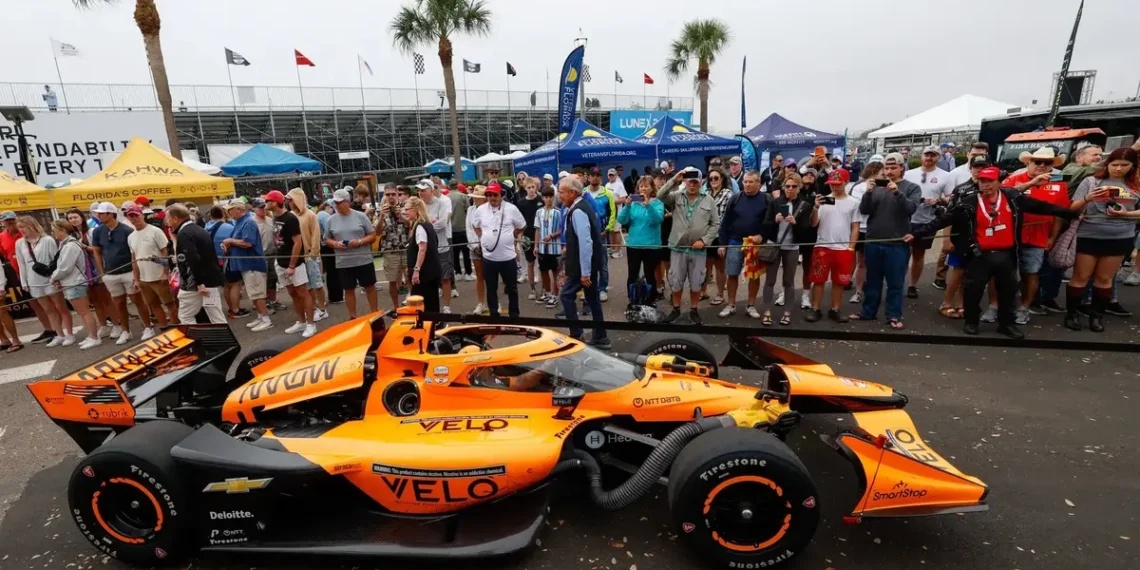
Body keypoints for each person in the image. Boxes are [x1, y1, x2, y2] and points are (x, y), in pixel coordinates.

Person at [909, 166, 1077, 338]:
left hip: (1006, 255)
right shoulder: (969, 202)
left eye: (990, 181)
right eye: (982, 181)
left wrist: (1072, 213)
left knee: (1007, 291)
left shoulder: (1012, 198)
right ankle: (971, 322)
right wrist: (916, 234)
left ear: (999, 182)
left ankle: (1006, 324)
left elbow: (1042, 207)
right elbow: (944, 219)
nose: (985, 185)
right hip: (979, 255)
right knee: (973, 289)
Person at [1065, 147, 1140, 332]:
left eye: (1124, 165)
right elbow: (1073, 207)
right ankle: (1072, 314)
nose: (1119, 169)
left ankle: (1096, 316)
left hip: (1120, 235)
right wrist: (1089, 197)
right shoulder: (1092, 181)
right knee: (1081, 276)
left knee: (1105, 278)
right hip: (1089, 233)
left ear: (1133, 166)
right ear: (1108, 164)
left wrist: (1127, 214)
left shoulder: (1135, 185)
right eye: (1115, 164)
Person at [1001, 147, 1071, 324]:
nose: (1041, 165)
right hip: (1010, 235)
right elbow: (1002, 195)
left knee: (1031, 273)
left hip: (1038, 236)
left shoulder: (1059, 184)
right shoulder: (1015, 179)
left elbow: (1060, 214)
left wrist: (1052, 238)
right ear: (1027, 162)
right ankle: (1000, 306)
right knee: (1004, 273)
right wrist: (1033, 183)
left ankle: (1024, 307)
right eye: (1037, 161)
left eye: (1046, 163)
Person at [851, 153, 921, 329]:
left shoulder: (912, 187)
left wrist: (896, 192)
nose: (889, 171)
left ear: (901, 169)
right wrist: (868, 192)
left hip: (897, 243)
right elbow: (864, 210)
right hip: (873, 241)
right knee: (872, 281)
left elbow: (910, 209)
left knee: (895, 282)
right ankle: (868, 312)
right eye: (887, 168)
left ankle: (894, 315)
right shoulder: (877, 187)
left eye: (893, 168)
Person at [657, 167, 721, 325]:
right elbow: (660, 195)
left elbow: (715, 224)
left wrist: (705, 241)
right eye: (689, 181)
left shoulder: (709, 200)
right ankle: (676, 309)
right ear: (684, 182)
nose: (692, 184)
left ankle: (694, 310)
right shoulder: (676, 196)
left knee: (696, 281)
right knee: (676, 280)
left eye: (695, 181)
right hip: (678, 248)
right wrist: (674, 179)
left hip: (698, 250)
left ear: (700, 183)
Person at [557, 177, 610, 349]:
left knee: (566, 296)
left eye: (562, 192)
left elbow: (586, 243)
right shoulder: (579, 207)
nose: (560, 196)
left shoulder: (578, 211)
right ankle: (601, 336)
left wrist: (585, 272)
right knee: (593, 299)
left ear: (573, 193)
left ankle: (576, 335)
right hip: (585, 264)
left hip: (581, 267)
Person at [938, 156, 991, 319]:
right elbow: (949, 214)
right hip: (961, 237)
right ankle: (946, 303)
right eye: (976, 166)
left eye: (983, 166)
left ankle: (962, 304)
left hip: (984, 237)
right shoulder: (961, 189)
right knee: (958, 272)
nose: (979, 170)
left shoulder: (993, 188)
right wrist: (946, 239)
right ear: (970, 168)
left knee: (972, 274)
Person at [806, 169, 860, 322]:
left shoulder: (854, 202)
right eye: (832, 184)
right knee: (818, 279)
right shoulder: (823, 200)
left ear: (846, 183)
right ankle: (815, 308)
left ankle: (835, 308)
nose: (834, 187)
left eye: (838, 184)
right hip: (822, 245)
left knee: (840, 281)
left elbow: (855, 226)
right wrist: (815, 207)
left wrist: (851, 247)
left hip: (843, 248)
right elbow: (813, 223)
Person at [91, 202, 147, 345]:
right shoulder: (97, 231)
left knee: (137, 300)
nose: (99, 215)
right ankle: (125, 331)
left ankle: (147, 327)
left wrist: (136, 275)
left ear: (111, 214)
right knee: (119, 303)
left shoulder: (127, 230)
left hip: (128, 271)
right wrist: (102, 272)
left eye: (102, 213)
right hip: (110, 273)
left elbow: (133, 253)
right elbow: (97, 252)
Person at [760, 174, 812, 325]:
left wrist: (795, 223)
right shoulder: (775, 202)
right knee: (770, 280)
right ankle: (767, 311)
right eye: (787, 186)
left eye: (794, 186)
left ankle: (787, 313)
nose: (790, 189)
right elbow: (765, 225)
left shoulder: (804, 205)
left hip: (792, 247)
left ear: (799, 187)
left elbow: (806, 232)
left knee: (788, 281)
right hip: (774, 245)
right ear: (783, 187)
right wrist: (774, 221)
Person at [716, 170, 769, 319]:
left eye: (751, 182)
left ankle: (751, 305)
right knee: (732, 273)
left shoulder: (765, 199)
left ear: (758, 183)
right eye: (745, 182)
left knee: (754, 275)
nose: (747, 185)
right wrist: (722, 244)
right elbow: (725, 222)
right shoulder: (735, 198)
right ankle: (731, 304)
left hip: (754, 243)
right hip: (735, 241)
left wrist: (762, 235)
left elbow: (770, 222)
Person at [903, 146, 954, 299]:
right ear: (921, 156)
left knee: (919, 254)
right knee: (903, 254)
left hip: (927, 221)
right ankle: (899, 283)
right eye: (927, 154)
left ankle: (912, 285)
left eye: (933, 155)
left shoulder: (946, 176)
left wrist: (939, 200)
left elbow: (950, 198)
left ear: (938, 157)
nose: (929, 158)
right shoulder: (909, 174)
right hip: (907, 219)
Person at [15, 216, 73, 346]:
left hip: (49, 279)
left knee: (61, 307)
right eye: (19, 227)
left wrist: (56, 277)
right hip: (33, 281)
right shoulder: (19, 243)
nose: (20, 230)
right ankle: (59, 334)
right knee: (48, 309)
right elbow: (21, 264)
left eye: (22, 227)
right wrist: (24, 282)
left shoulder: (47, 240)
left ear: (31, 225)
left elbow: (55, 260)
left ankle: (69, 334)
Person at [472, 182, 527, 318]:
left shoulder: (511, 208)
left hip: (508, 257)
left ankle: (514, 315)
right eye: (489, 195)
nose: (492, 198)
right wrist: (483, 236)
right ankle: (494, 314)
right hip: (489, 257)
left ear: (501, 195)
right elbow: (475, 225)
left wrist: (512, 235)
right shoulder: (481, 210)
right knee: (491, 288)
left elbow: (522, 225)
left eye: (494, 195)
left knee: (512, 288)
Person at [1, 210, 56, 344]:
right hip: (19, 274)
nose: (11, 223)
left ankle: (56, 329)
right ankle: (48, 329)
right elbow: (3, 255)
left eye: (12, 220)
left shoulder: (25, 232)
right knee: (35, 304)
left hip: (40, 273)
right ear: (3, 223)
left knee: (51, 303)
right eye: (7, 221)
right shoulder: (2, 236)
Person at [217, 200, 271, 332]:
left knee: (257, 293)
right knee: (254, 293)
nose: (228, 212)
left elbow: (248, 243)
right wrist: (230, 243)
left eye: (230, 209)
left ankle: (266, 319)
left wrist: (230, 241)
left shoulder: (248, 222)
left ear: (238, 210)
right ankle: (260, 316)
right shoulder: (242, 222)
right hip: (246, 264)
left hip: (252, 264)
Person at [167, 205, 226, 324]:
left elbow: (192, 258)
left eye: (167, 219)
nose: (167, 222)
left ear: (175, 219)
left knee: (185, 316)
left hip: (194, 284)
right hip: (211, 279)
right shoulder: (200, 229)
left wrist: (199, 283)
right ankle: (224, 342)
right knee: (216, 316)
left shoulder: (184, 234)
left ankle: (196, 341)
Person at [325, 188, 379, 318]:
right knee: (348, 290)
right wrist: (335, 244)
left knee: (369, 287)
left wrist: (360, 242)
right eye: (335, 203)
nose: (337, 205)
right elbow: (326, 239)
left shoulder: (361, 216)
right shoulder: (330, 220)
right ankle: (353, 316)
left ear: (347, 202)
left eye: (340, 202)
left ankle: (375, 313)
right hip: (343, 262)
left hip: (363, 259)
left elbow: (372, 235)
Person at [47, 220, 100, 349]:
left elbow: (65, 267)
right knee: (81, 312)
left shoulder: (70, 246)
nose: (53, 232)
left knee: (84, 311)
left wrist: (53, 278)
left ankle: (94, 337)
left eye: (54, 230)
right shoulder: (66, 245)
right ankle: (91, 335)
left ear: (62, 230)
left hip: (75, 282)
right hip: (71, 282)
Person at [124, 203, 174, 337]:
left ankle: (177, 328)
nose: (134, 219)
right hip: (144, 277)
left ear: (142, 215)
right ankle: (164, 328)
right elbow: (134, 258)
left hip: (159, 275)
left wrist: (165, 272)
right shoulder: (131, 236)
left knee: (170, 303)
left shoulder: (155, 231)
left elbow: (165, 252)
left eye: (136, 215)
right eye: (131, 216)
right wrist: (136, 278)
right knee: (153, 304)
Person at [617, 175, 665, 309]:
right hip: (634, 245)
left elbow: (658, 219)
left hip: (651, 245)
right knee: (632, 274)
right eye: (641, 186)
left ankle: (650, 300)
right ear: (638, 188)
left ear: (652, 188)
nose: (643, 188)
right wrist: (626, 205)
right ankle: (633, 299)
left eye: (646, 186)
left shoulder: (657, 203)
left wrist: (648, 205)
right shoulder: (632, 203)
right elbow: (622, 220)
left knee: (650, 274)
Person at [846, 157, 884, 305]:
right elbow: (859, 209)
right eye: (881, 173)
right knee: (859, 260)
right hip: (861, 228)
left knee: (871, 262)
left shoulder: (885, 186)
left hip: (877, 228)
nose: (884, 176)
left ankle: (866, 289)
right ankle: (855, 288)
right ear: (873, 172)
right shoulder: (859, 187)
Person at [291, 188, 329, 323]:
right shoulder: (292, 215)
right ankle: (312, 309)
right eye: (288, 200)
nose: (290, 202)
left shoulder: (311, 215)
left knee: (317, 283)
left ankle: (323, 309)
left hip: (310, 255)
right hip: (299, 256)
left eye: (291, 199)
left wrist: (313, 253)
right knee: (307, 286)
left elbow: (316, 235)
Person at [418, 179, 455, 312]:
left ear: (431, 190)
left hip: (441, 245)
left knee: (445, 277)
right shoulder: (419, 205)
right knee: (429, 278)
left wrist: (426, 227)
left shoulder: (442, 203)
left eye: (423, 190)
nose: (421, 193)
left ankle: (446, 306)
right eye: (419, 191)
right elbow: (416, 224)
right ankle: (430, 306)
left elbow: (442, 223)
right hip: (425, 248)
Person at [403, 197, 443, 312]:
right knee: (432, 301)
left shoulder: (420, 226)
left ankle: (428, 325)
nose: (405, 212)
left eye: (407, 209)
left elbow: (422, 249)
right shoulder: (427, 224)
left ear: (416, 210)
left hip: (425, 274)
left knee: (422, 303)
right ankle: (434, 323)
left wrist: (416, 270)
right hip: (431, 271)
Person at [703, 167, 734, 307]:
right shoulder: (705, 193)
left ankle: (720, 294)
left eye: (716, 178)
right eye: (711, 178)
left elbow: (730, 217)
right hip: (706, 234)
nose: (713, 180)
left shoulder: (728, 194)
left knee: (720, 267)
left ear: (722, 179)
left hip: (720, 235)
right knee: (704, 265)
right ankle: (702, 292)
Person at [585, 167, 617, 299]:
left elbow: (612, 213)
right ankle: (588, 288)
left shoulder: (607, 193)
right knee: (586, 261)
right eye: (593, 175)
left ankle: (603, 288)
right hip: (586, 233)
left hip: (601, 234)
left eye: (598, 175)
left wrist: (607, 229)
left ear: (601, 178)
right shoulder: (583, 193)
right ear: (588, 177)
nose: (595, 177)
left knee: (602, 262)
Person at [377, 184, 410, 310]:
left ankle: (411, 303)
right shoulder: (380, 210)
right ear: (384, 195)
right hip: (390, 250)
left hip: (406, 248)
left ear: (397, 194)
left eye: (393, 194)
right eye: (387, 194)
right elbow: (377, 232)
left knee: (410, 278)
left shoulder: (405, 207)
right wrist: (381, 216)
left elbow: (411, 225)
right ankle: (396, 307)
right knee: (392, 280)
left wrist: (401, 216)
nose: (391, 197)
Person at [252, 199, 286, 314]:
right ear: (254, 209)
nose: (263, 209)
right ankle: (264, 303)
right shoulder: (252, 222)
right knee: (262, 282)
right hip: (260, 256)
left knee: (273, 279)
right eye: (260, 208)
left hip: (273, 254)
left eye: (264, 207)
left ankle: (273, 301)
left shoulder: (271, 220)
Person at [795, 169, 822, 309]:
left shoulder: (817, 193)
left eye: (812, 175)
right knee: (789, 267)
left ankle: (805, 295)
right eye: (806, 174)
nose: (809, 176)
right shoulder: (793, 190)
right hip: (793, 234)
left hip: (810, 234)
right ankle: (784, 292)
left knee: (807, 267)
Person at [465, 186, 493, 315]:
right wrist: (475, 245)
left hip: (490, 247)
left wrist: (485, 244)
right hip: (475, 247)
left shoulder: (491, 210)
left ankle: (494, 302)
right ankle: (481, 302)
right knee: (480, 277)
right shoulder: (470, 210)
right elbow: (469, 228)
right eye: (474, 198)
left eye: (479, 198)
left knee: (491, 277)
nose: (476, 200)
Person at [534, 186, 563, 307]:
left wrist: (551, 235)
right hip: (542, 248)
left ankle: (555, 296)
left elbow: (562, 229)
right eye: (546, 197)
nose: (549, 199)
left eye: (551, 197)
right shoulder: (539, 212)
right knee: (544, 272)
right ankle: (547, 292)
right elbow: (537, 229)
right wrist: (536, 245)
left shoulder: (558, 212)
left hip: (555, 248)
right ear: (543, 198)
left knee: (555, 273)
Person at [514, 177, 543, 297]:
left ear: (536, 187)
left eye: (533, 187)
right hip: (527, 236)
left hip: (541, 235)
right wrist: (519, 237)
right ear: (525, 188)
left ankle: (545, 290)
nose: (531, 190)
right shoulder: (521, 203)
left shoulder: (541, 199)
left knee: (542, 263)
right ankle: (532, 289)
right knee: (530, 263)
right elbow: (519, 222)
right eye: (528, 188)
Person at [448, 181, 473, 282]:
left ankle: (457, 272)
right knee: (466, 252)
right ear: (457, 185)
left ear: (449, 186)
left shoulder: (446, 197)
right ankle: (468, 272)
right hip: (463, 228)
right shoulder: (463, 196)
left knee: (454, 253)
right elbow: (468, 210)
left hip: (451, 229)